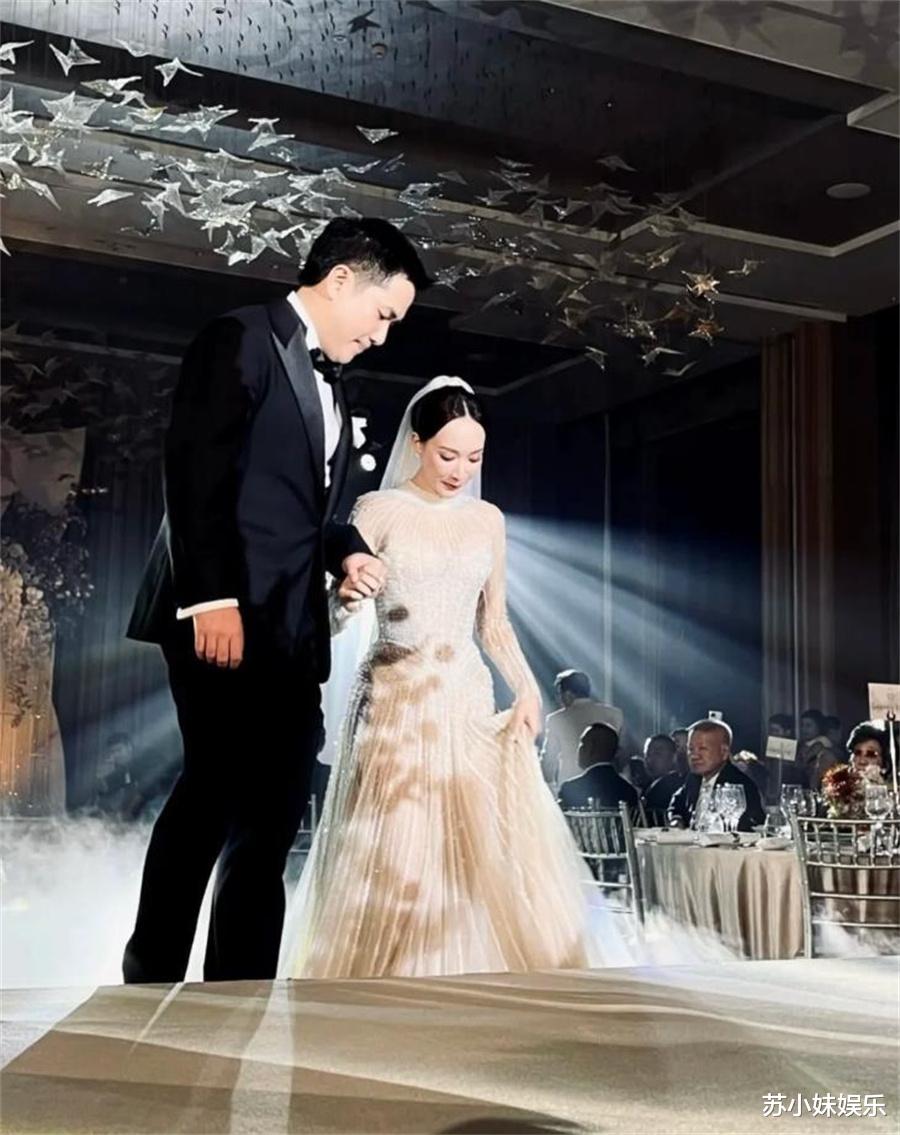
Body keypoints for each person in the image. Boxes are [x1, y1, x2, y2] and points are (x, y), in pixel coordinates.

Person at [123, 218, 429, 984]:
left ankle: (241, 986)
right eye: (383, 314)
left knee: (277, 808)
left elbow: (305, 514)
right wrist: (210, 598)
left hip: (291, 633)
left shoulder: (336, 384)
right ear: (341, 280)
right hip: (219, 614)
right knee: (212, 791)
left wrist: (347, 550)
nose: (382, 336)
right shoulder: (239, 338)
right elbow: (194, 471)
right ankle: (148, 977)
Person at [280, 379, 593, 980]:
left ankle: (467, 980)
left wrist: (527, 688)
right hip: (394, 698)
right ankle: (391, 983)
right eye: (448, 455)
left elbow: (492, 621)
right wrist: (346, 597)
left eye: (474, 458)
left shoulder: (487, 519)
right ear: (417, 443)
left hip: (466, 695)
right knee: (396, 845)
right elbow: (333, 615)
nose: (460, 471)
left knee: (475, 848)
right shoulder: (378, 510)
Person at [668, 718, 765, 832]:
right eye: (690, 749)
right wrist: (677, 819)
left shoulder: (741, 786)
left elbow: (750, 827)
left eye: (702, 749)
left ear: (724, 752)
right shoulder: (694, 778)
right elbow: (677, 803)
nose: (694, 756)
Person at [540, 670, 624, 788]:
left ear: (568, 694)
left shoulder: (556, 719)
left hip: (571, 786)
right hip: (608, 783)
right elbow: (622, 753)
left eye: (559, 694)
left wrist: (547, 783)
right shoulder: (615, 714)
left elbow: (549, 760)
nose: (559, 699)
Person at [558, 723, 639, 813]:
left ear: (591, 748)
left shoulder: (570, 789)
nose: (578, 749)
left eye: (582, 743)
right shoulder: (630, 791)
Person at [641, 734, 684, 823]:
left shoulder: (675, 786)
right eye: (647, 754)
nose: (650, 759)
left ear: (674, 757)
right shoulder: (648, 784)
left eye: (657, 754)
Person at [798, 708, 838, 791]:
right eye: (802, 725)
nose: (804, 729)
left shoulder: (823, 745)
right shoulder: (803, 745)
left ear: (819, 726)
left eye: (808, 726)